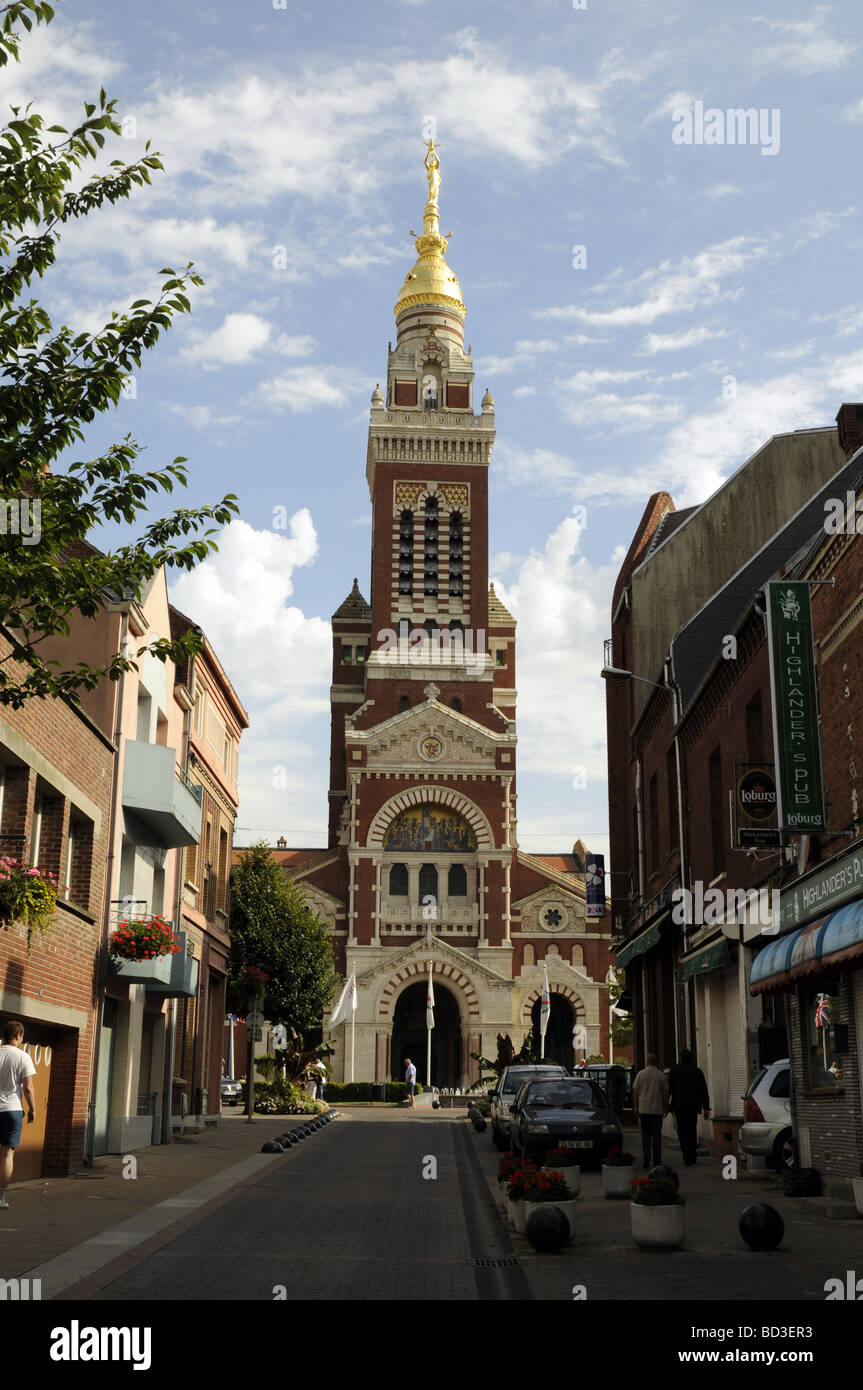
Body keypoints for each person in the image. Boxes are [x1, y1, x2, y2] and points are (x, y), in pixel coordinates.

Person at [0, 1020, 37, 1209]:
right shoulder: (23, 1057)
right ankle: (1, 1198)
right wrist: (32, 1109)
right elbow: (28, 1088)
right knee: (7, 1155)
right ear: (18, 1036)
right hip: (12, 1110)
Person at [667, 1047, 711, 1166]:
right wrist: (706, 1107)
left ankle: (686, 1155)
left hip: (679, 1106)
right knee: (692, 1129)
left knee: (682, 1131)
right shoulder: (697, 1071)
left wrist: (667, 1106)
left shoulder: (674, 1070)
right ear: (691, 1058)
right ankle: (692, 1155)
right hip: (693, 1106)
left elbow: (669, 1089)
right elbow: (704, 1090)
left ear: (681, 1058)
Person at [632, 1051, 669, 1170]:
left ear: (646, 1061)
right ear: (656, 1062)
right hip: (657, 1111)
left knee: (645, 1135)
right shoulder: (661, 1075)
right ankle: (657, 1161)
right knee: (656, 1137)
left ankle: (647, 1158)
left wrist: (636, 1106)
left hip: (644, 1110)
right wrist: (665, 1107)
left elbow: (636, 1092)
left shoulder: (640, 1075)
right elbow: (665, 1093)